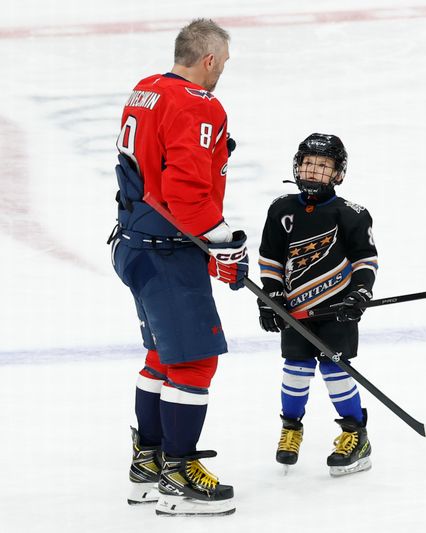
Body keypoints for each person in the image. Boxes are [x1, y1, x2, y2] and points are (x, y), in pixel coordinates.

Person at [109, 19, 246, 516]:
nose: (222, 73)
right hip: (167, 250)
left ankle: (147, 463)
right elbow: (186, 190)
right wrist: (222, 241)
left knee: (162, 356)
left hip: (133, 244)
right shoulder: (198, 103)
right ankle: (178, 475)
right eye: (223, 63)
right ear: (208, 59)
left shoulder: (145, 89)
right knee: (193, 362)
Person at [257, 133, 378, 476]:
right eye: (308, 163)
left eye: (323, 166)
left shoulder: (352, 214)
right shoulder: (281, 208)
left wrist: (360, 293)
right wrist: (271, 297)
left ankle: (356, 435)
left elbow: (365, 261)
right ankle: (291, 429)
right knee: (295, 369)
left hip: (336, 310)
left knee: (334, 370)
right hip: (295, 310)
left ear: (338, 173)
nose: (313, 172)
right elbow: (270, 259)